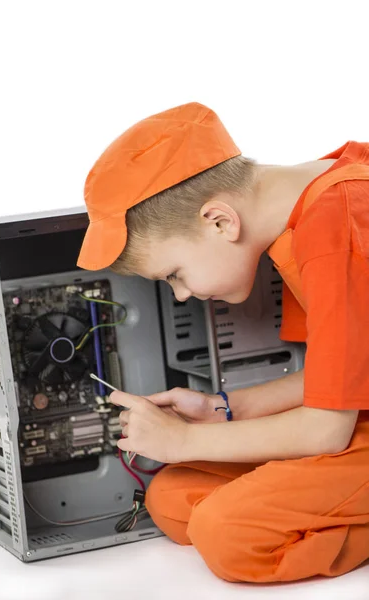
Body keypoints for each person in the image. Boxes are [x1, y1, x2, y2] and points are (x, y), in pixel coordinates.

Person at [77, 102, 369, 583]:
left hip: (343, 428)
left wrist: (187, 439)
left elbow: (327, 430)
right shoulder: (299, 208)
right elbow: (337, 375)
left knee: (226, 534)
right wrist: (222, 408)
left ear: (219, 221)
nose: (182, 294)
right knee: (171, 499)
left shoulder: (334, 226)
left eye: (174, 274)